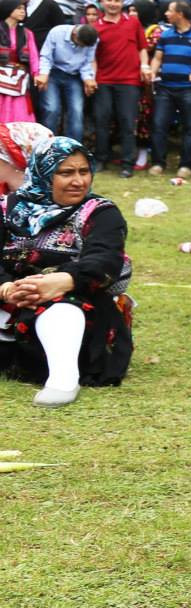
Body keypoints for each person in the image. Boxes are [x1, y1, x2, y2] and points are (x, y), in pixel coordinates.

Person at [0, 137, 132, 407]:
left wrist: (61, 280)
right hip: (10, 298)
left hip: (76, 298)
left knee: (62, 306)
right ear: (43, 173)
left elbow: (105, 260)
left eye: (84, 171)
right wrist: (6, 287)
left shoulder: (99, 212)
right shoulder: (7, 209)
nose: (78, 181)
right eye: (66, 172)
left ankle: (63, 378)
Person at [88, 0, 144, 175]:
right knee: (101, 121)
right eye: (109, 0)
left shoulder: (133, 23)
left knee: (128, 122)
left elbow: (142, 48)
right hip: (104, 80)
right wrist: (92, 78)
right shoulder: (95, 27)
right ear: (102, 2)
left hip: (129, 81)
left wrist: (145, 66)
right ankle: (101, 159)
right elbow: (92, 56)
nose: (113, 3)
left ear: (123, 2)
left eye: (117, 0)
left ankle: (128, 163)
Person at [147, 0, 191, 174]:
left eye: (170, 10)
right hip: (165, 87)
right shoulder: (165, 36)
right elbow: (158, 58)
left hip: (189, 88)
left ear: (180, 14)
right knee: (158, 125)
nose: (166, 14)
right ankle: (158, 163)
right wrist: (152, 72)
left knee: (190, 126)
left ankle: (186, 165)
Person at [36, 21, 97, 144]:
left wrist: (88, 79)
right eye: (81, 45)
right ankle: (47, 146)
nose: (82, 48)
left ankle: (73, 149)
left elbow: (87, 62)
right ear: (74, 34)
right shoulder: (57, 32)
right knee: (51, 109)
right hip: (53, 73)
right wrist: (44, 74)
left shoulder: (93, 40)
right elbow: (46, 56)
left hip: (74, 75)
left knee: (77, 110)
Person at [0, 0, 38, 125]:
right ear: (8, 9)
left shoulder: (27, 33)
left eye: (24, 9)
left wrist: (36, 73)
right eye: (19, 8)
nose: (23, 11)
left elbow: (33, 56)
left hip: (19, 77)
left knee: (19, 109)